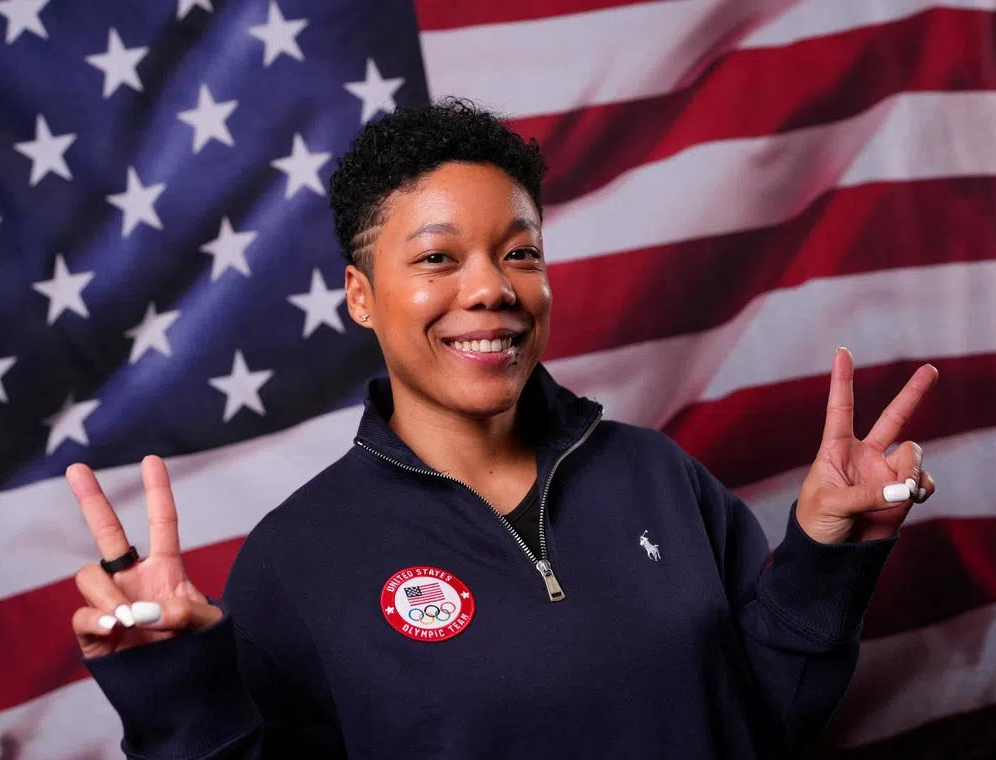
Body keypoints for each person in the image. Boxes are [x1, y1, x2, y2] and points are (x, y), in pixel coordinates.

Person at [66, 99, 938, 759]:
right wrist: (176, 689)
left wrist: (827, 553)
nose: (491, 289)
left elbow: (767, 721)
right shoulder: (294, 563)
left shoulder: (659, 478)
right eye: (438, 258)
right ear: (361, 295)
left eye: (519, 252)